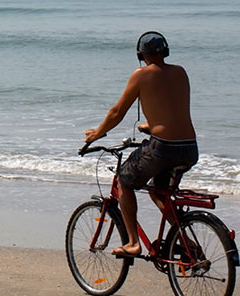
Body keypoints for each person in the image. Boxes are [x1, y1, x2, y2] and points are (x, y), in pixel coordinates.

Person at [84, 31, 198, 258]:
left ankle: (133, 243)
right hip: (189, 148)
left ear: (140, 54)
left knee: (124, 182)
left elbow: (117, 112)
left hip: (163, 148)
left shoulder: (141, 75)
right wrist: (151, 125)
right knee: (159, 191)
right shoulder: (181, 72)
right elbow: (172, 108)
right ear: (165, 52)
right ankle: (185, 240)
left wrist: (98, 133)